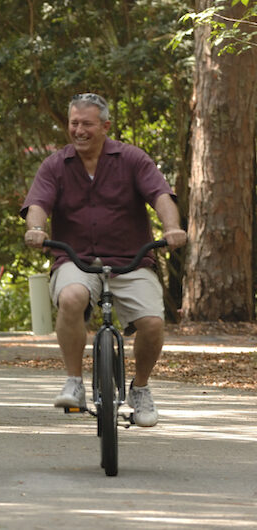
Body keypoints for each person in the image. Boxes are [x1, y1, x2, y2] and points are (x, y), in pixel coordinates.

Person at [21, 92, 187, 427]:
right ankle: (73, 381)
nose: (78, 130)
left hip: (130, 259)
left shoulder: (132, 159)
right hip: (76, 259)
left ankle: (139, 388)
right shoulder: (56, 164)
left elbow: (161, 194)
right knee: (71, 297)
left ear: (105, 126)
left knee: (152, 323)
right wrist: (36, 229)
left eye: (87, 124)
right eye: (74, 123)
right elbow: (38, 202)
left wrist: (172, 228)